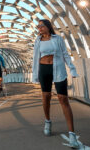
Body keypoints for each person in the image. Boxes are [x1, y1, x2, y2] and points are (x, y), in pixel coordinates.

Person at [32, 19, 79, 148]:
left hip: (58, 68)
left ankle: (72, 134)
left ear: (48, 26)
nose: (39, 28)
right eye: (38, 26)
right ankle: (47, 121)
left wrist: (72, 68)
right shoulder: (38, 41)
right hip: (44, 70)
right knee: (46, 97)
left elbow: (65, 54)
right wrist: (35, 75)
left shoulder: (57, 39)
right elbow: (35, 58)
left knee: (63, 99)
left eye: (41, 26)